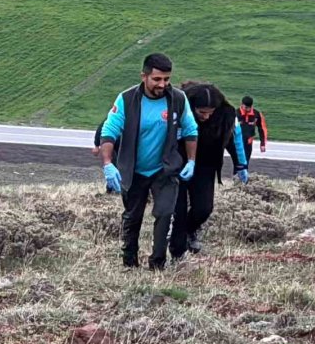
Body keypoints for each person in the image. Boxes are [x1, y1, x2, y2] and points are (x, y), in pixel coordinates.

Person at [98, 53, 199, 270]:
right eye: (157, 79)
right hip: (134, 169)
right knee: (132, 217)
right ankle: (129, 261)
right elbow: (109, 131)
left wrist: (191, 160)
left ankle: (157, 264)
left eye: (167, 79)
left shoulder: (178, 99)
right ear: (144, 76)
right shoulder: (125, 99)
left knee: (164, 214)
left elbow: (191, 130)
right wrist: (108, 163)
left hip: (165, 169)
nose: (162, 84)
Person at [169, 82, 249, 259]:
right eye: (201, 112)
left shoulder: (225, 115)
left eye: (210, 112)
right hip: (178, 165)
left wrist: (240, 164)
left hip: (205, 165)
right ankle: (177, 250)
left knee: (204, 208)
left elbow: (233, 140)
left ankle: (190, 231)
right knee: (179, 211)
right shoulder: (178, 108)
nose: (206, 116)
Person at [226, 95, 268, 174]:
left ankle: (243, 181)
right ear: (241, 104)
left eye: (249, 108)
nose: (247, 109)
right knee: (237, 163)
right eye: (245, 107)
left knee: (245, 163)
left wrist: (263, 144)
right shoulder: (235, 114)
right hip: (236, 143)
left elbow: (262, 129)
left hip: (248, 143)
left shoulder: (257, 114)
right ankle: (236, 179)